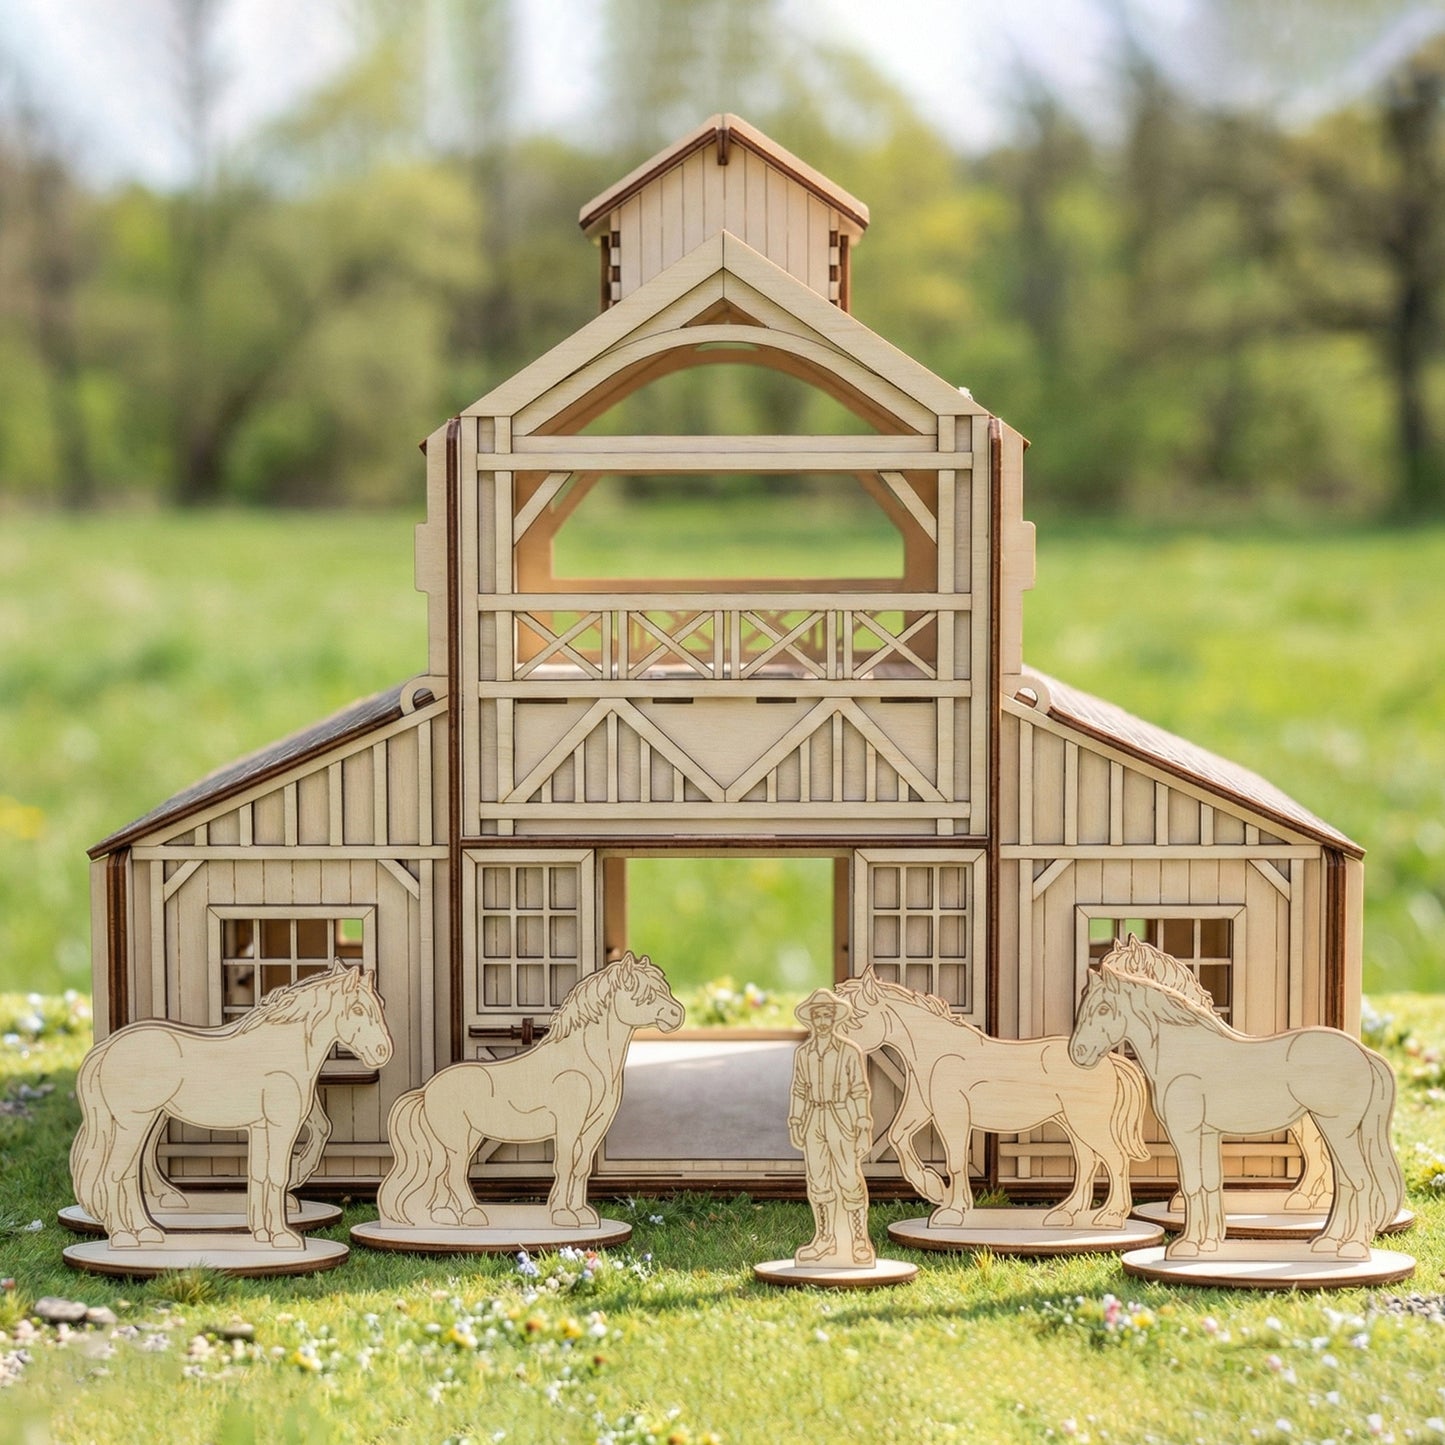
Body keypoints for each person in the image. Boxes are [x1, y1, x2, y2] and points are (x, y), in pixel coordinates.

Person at [788, 987, 875, 1267]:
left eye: (827, 1015)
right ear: (812, 1020)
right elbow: (799, 1089)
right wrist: (796, 1121)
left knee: (849, 1177)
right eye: (818, 1016)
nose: (823, 1021)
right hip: (814, 1118)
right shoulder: (804, 1053)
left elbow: (860, 1090)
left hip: (840, 1117)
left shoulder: (848, 1051)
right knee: (818, 1180)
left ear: (834, 1018)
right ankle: (824, 1238)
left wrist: (863, 1125)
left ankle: (859, 1240)